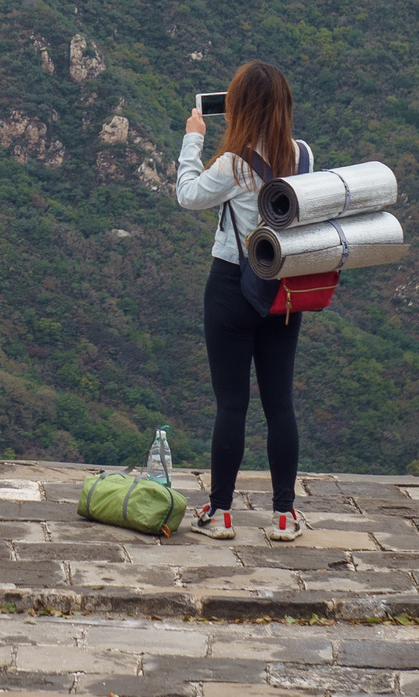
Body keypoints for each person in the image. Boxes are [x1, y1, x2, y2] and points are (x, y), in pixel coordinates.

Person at [175, 60, 308, 542]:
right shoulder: (303, 155)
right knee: (280, 405)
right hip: (283, 291)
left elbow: (187, 194)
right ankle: (285, 516)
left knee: (231, 405)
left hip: (233, 286)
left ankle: (221, 513)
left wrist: (194, 136)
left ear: (239, 109)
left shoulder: (234, 165)